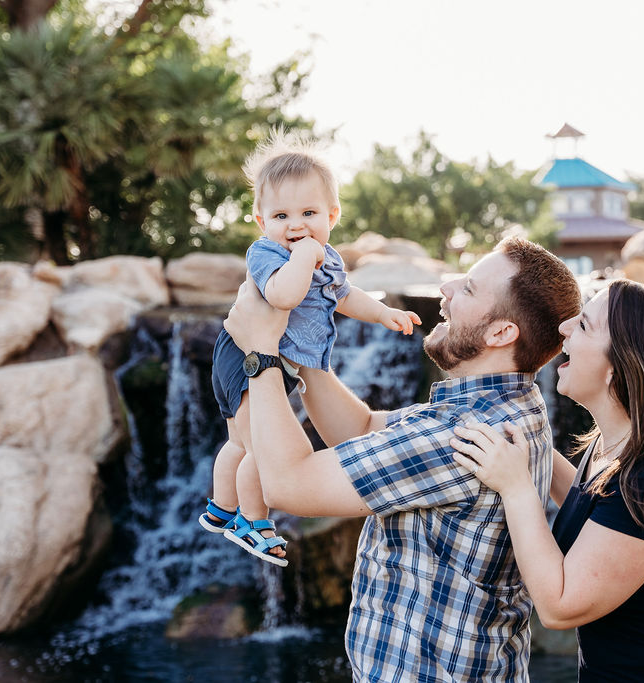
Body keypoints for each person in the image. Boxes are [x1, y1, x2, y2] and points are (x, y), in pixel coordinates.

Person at [222, 237, 581, 681]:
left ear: (501, 333)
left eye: (467, 288)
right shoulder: (505, 405)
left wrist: (262, 354)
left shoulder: (460, 436)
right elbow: (362, 430)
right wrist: (304, 343)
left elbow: (288, 484)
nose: (446, 287)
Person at [450, 279, 644, 682]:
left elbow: (560, 606)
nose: (564, 328)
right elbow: (591, 505)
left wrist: (516, 488)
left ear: (617, 367)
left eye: (583, 325)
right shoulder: (615, 448)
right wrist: (523, 441)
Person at [201, 134, 421, 567]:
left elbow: (345, 295)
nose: (295, 225)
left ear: (332, 215)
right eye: (281, 215)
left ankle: (220, 510)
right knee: (260, 445)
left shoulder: (331, 259)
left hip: (272, 361)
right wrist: (303, 259)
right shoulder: (266, 255)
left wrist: (381, 314)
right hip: (244, 355)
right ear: (261, 220)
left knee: (241, 442)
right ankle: (252, 520)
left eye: (308, 213)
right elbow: (282, 296)